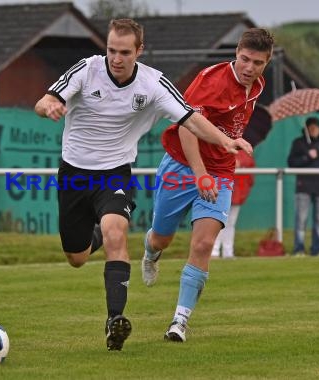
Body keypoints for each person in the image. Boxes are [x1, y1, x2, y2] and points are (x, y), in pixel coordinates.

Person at [34, 18, 252, 351]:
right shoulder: (87, 69)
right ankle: (91, 238)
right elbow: (45, 100)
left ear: (139, 51)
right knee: (76, 257)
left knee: (117, 234)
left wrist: (225, 142)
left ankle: (114, 324)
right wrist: (49, 105)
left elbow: (191, 119)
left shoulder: (153, 84)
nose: (115, 59)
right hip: (75, 173)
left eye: (124, 52)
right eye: (110, 50)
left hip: (115, 174)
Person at [141, 28, 274, 342]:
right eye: (244, 59)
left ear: (265, 63)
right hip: (181, 164)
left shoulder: (257, 86)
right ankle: (150, 252)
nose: (249, 68)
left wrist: (228, 146)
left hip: (221, 170)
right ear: (236, 54)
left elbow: (230, 123)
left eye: (257, 63)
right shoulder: (210, 81)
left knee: (203, 244)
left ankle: (179, 322)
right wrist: (199, 172)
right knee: (162, 237)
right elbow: (187, 128)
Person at [287, 117, 319, 257]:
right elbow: (291, 162)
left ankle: (318, 248)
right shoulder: (299, 143)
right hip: (304, 187)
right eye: (311, 128)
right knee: (301, 219)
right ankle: (299, 248)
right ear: (306, 129)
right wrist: (307, 156)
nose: (313, 130)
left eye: (316, 128)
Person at [211, 150, 255, 259]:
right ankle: (214, 251)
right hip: (221, 191)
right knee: (218, 222)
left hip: (237, 193)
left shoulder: (245, 153)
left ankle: (228, 252)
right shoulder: (220, 148)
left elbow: (250, 176)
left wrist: (240, 164)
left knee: (230, 224)